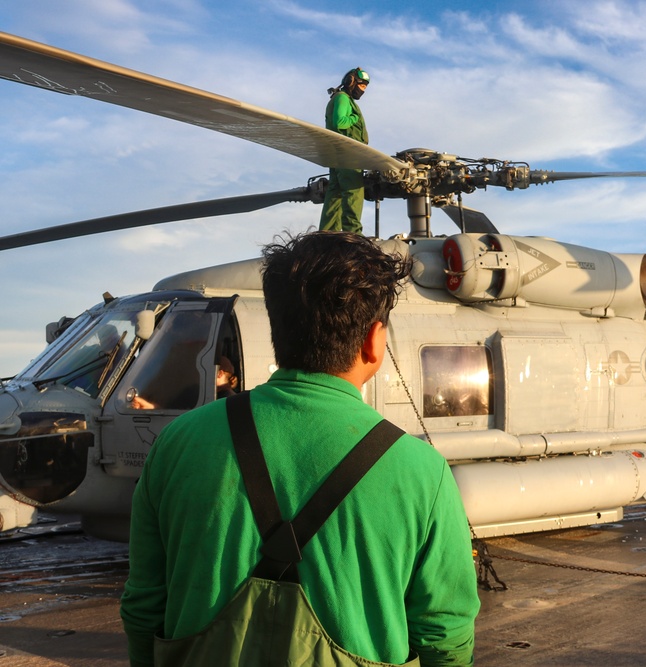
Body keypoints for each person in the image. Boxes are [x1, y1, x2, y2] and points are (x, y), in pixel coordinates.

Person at [120, 231, 479, 666]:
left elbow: (144, 607)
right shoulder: (423, 471)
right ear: (374, 339)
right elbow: (444, 633)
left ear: (278, 329)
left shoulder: (176, 443)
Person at [320, 67, 370, 233]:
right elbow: (339, 122)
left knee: (335, 193)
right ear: (351, 82)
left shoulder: (341, 98)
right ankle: (353, 233)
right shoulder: (342, 98)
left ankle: (327, 234)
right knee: (353, 190)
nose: (363, 90)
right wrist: (355, 117)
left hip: (337, 153)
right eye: (362, 86)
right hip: (348, 153)